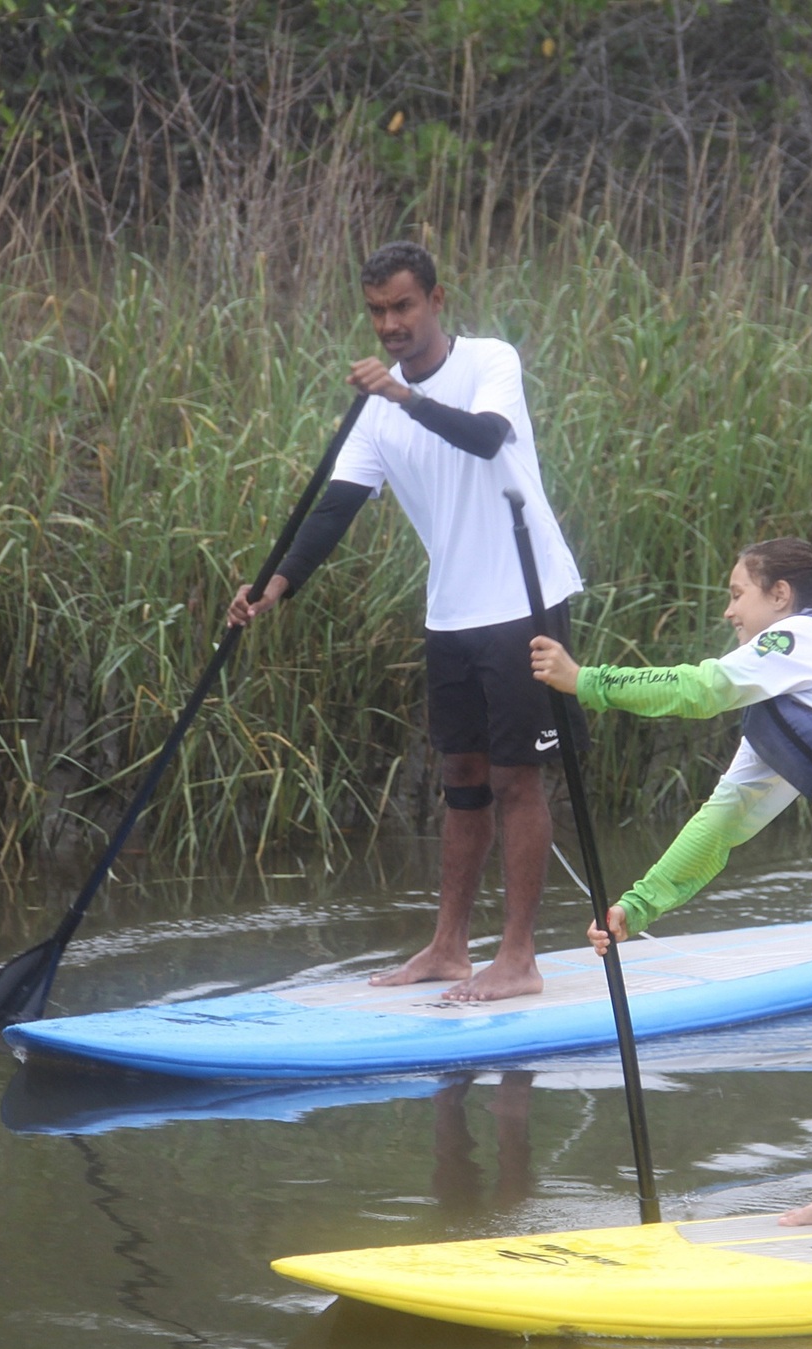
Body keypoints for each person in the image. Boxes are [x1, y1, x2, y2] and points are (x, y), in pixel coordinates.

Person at [529, 538, 812, 1253]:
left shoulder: (806, 637)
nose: (728, 611)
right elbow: (724, 821)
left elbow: (699, 688)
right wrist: (637, 904)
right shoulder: (777, 708)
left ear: (780, 596)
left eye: (738, 593)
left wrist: (587, 682)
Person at [228, 241, 584, 1002]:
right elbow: (335, 507)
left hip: (524, 597)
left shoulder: (489, 361)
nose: (390, 324)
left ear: (435, 300)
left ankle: (518, 957)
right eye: (377, 311)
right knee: (461, 778)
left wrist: (400, 395)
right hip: (451, 611)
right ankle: (449, 950)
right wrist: (275, 585)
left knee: (516, 781)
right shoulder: (374, 411)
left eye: (402, 306)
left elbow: (486, 437)